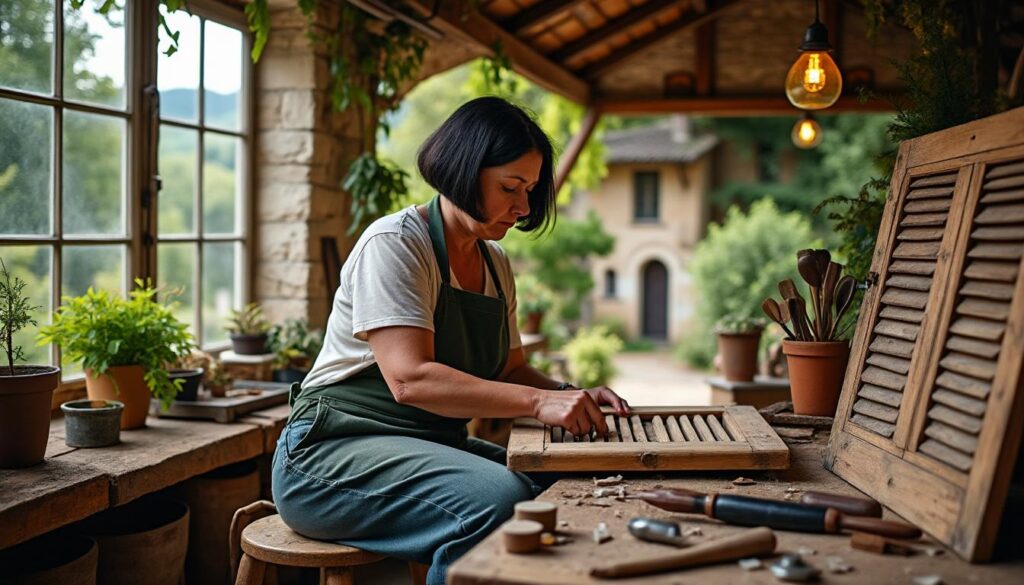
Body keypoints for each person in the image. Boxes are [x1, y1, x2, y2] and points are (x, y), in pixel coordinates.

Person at [271, 96, 631, 585]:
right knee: (498, 501)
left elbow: (509, 370)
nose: (523, 206)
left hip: (427, 443)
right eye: (510, 187)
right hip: (329, 453)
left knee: (557, 484)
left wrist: (569, 395)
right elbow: (410, 380)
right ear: (464, 170)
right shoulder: (396, 244)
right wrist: (537, 401)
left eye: (529, 189)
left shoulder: (496, 264)